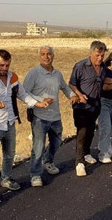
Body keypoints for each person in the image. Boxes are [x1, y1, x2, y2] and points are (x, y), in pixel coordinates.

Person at [0, 49, 50, 210]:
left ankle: (6, 178)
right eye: (1, 65)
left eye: (7, 65)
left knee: (9, 155)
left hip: (9, 123)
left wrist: (38, 103)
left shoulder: (12, 77)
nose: (4, 68)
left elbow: (23, 95)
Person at [21, 45, 79, 188]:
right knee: (38, 146)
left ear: (53, 56)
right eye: (43, 54)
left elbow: (65, 87)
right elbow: (23, 93)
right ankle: (35, 174)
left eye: (49, 54)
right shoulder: (33, 73)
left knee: (56, 142)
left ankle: (48, 161)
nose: (46, 57)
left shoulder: (57, 74)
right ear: (39, 56)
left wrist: (72, 95)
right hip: (39, 116)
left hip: (55, 116)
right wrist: (40, 100)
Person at [69, 41, 108, 177]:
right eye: (97, 55)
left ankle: (86, 153)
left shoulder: (103, 67)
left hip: (96, 104)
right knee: (82, 132)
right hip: (82, 106)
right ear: (91, 53)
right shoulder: (80, 66)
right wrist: (79, 95)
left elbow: (104, 82)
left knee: (91, 130)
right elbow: (72, 83)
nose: (100, 58)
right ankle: (79, 163)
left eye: (102, 55)